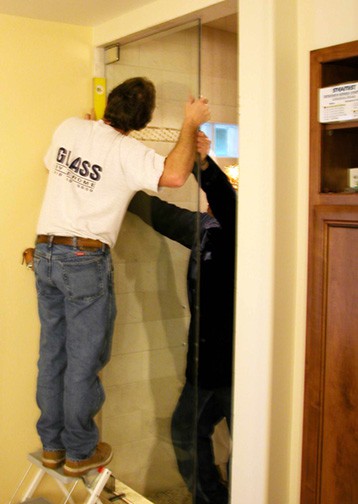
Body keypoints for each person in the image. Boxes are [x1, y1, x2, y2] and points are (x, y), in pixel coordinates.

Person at [33, 77, 210, 477]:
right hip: (83, 258)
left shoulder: (71, 127)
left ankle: (52, 445)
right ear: (144, 120)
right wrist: (189, 124)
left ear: (110, 104)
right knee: (83, 360)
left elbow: (54, 164)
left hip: (45, 252)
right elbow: (176, 175)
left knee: (52, 355)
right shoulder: (128, 151)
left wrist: (87, 134)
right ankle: (79, 451)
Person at [128, 131, 237, 503]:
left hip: (237, 368)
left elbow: (225, 201)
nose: (209, 208)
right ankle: (212, 498)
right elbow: (160, 214)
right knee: (186, 431)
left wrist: (202, 164)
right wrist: (120, 184)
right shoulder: (205, 230)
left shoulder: (241, 235)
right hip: (207, 368)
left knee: (249, 446)